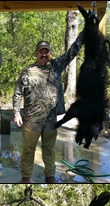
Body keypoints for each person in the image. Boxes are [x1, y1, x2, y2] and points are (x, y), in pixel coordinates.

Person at [12, 37, 84, 183]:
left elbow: (72, 52)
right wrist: (16, 113)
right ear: (36, 54)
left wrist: (85, 34)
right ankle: (26, 177)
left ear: (50, 54)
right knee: (28, 151)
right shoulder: (27, 71)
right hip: (31, 121)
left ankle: (50, 176)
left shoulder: (56, 66)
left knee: (49, 150)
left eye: (46, 52)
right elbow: (18, 93)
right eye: (41, 52)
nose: (44, 54)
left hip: (51, 120)